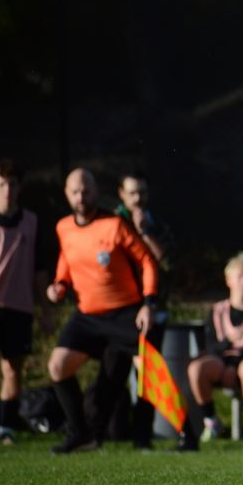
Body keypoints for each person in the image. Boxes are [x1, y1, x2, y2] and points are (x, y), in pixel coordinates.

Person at [45, 168, 159, 454]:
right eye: (75, 191)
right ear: (67, 195)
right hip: (88, 315)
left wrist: (148, 304)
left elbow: (147, 262)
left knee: (149, 372)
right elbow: (67, 260)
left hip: (125, 312)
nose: (81, 197)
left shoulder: (114, 224)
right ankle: (81, 434)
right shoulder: (63, 227)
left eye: (86, 190)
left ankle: (150, 438)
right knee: (58, 367)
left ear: (96, 192)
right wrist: (59, 284)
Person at [0, 159, 50, 445]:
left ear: (20, 187)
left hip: (19, 306)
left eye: (12, 184)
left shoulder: (31, 222)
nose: (7, 190)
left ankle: (6, 429)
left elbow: (39, 270)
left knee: (12, 368)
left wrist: (44, 310)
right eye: (1, 184)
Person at [93, 172, 176, 448]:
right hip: (117, 312)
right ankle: (109, 433)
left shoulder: (156, 223)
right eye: (132, 193)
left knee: (148, 378)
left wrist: (144, 233)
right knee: (113, 373)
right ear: (121, 194)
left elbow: (166, 263)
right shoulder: (109, 223)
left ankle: (142, 438)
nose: (138, 198)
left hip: (150, 312)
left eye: (142, 192)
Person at [187, 252, 243, 442]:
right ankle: (211, 421)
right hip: (221, 363)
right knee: (196, 369)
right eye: (240, 277)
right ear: (229, 280)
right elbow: (212, 346)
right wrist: (228, 345)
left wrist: (234, 365)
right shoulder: (217, 311)